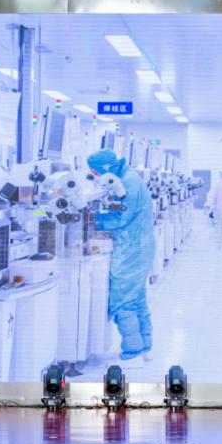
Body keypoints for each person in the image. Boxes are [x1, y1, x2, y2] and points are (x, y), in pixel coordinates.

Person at [88, 149, 156, 369]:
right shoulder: (126, 177)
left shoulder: (128, 182)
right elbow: (123, 205)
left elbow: (122, 217)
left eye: (95, 172)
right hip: (138, 246)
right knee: (136, 298)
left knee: (123, 299)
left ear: (104, 168)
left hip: (131, 248)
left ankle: (132, 352)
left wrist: (95, 219)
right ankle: (144, 347)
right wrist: (104, 207)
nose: (95, 176)